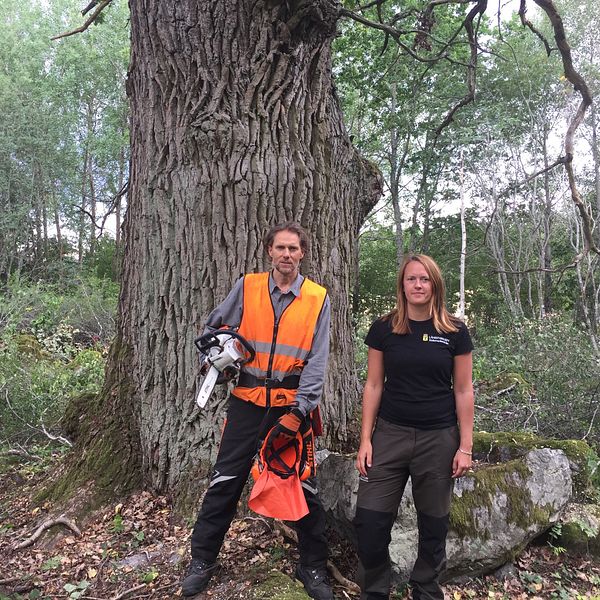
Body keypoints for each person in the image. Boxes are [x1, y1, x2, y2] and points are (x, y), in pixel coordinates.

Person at [182, 222, 333, 600]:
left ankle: (313, 566)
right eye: (280, 248)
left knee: (304, 487)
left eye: (293, 249)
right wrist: (217, 358)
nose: (286, 255)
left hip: (290, 407)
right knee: (224, 483)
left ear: (302, 253)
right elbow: (211, 328)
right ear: (269, 251)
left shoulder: (317, 297)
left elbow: (317, 361)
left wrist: (301, 411)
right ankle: (202, 560)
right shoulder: (247, 287)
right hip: (246, 403)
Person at [354, 254, 474, 600]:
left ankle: (424, 587)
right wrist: (366, 439)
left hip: (439, 438)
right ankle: (375, 589)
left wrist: (465, 446)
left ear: (435, 284)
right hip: (390, 435)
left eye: (425, 279)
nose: (418, 285)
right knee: (370, 521)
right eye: (411, 279)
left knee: (434, 523)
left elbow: (464, 390)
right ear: (402, 285)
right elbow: (374, 384)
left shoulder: (454, 331)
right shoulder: (384, 328)